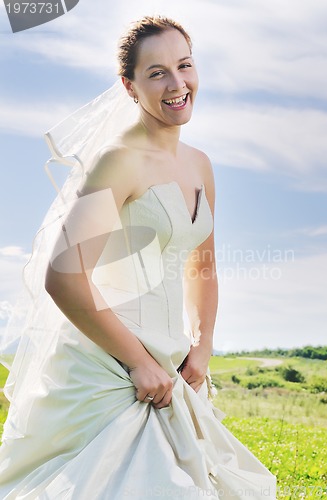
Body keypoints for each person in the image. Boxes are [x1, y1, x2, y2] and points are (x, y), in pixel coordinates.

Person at [0, 16, 276, 499]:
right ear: (129, 86)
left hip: (170, 360)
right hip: (109, 365)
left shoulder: (200, 166)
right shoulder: (117, 161)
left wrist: (203, 343)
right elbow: (63, 278)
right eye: (157, 73)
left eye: (184, 66)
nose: (177, 84)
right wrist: (138, 363)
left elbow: (202, 265)